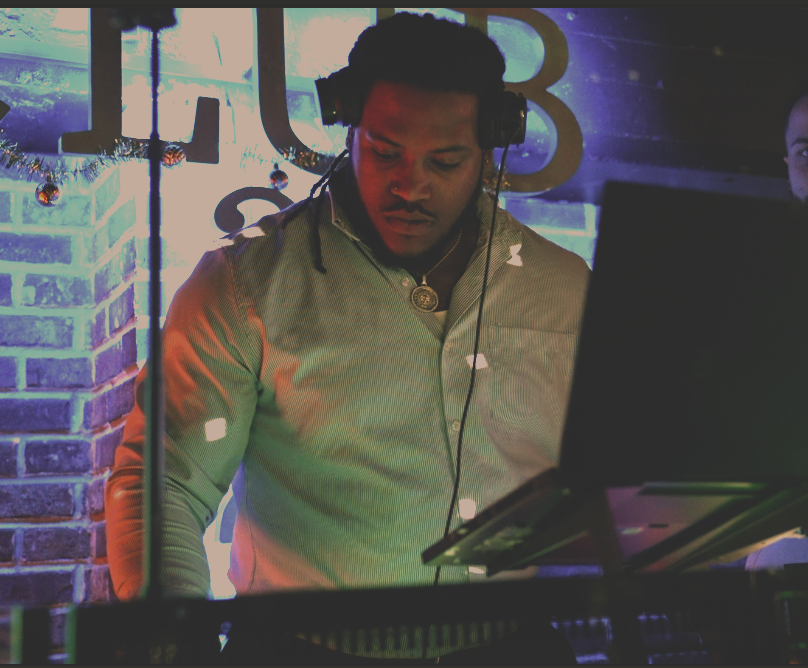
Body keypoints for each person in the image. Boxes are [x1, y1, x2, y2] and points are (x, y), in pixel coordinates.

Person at [106, 12, 589, 665]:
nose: (410, 185)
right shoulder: (244, 281)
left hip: (511, 646)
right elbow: (167, 484)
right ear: (347, 127)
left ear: (493, 145)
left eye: (444, 161)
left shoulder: (567, 289)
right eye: (385, 151)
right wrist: (177, 637)